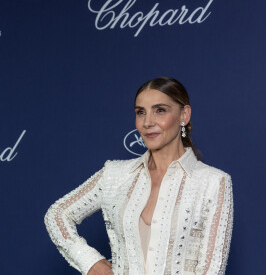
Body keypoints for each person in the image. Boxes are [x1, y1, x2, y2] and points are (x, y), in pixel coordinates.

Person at [44, 77, 234, 275]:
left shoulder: (213, 182)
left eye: (160, 110)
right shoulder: (114, 175)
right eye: (140, 112)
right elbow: (57, 215)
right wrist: (91, 262)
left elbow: (211, 269)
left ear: (184, 115)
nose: (147, 122)